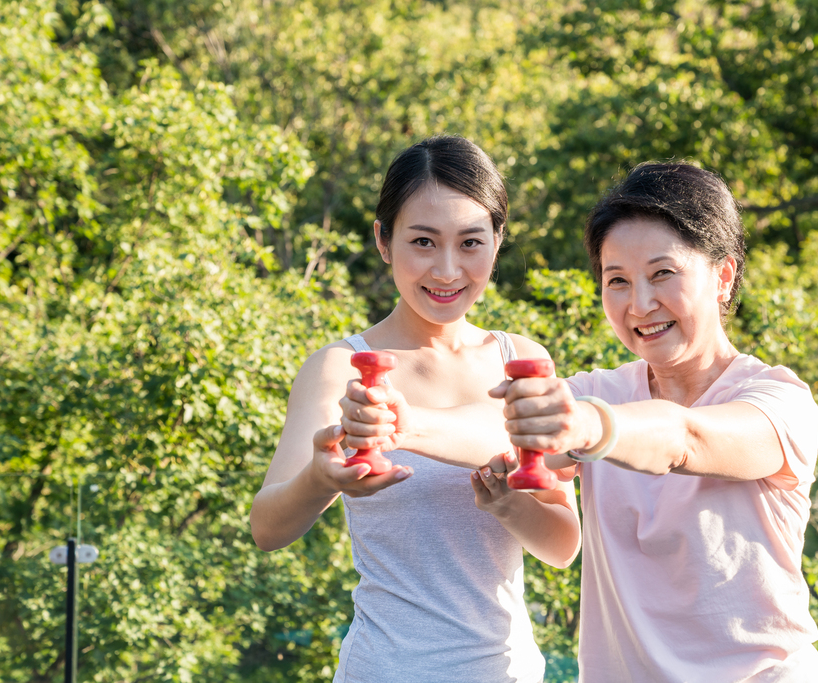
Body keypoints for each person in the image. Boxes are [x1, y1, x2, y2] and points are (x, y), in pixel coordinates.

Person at [342, 162, 818, 681]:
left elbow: (684, 437)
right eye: (617, 280)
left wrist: (589, 429)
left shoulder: (778, 401)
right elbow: (503, 426)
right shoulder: (598, 392)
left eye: (662, 273)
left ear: (723, 275)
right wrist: (404, 423)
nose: (640, 304)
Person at [249, 135, 580, 683]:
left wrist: (507, 505)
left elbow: (564, 545)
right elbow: (267, 527)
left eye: (470, 242)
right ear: (383, 240)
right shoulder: (340, 366)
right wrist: (321, 477)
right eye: (423, 242)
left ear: (497, 242)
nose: (447, 270)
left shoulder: (521, 359)